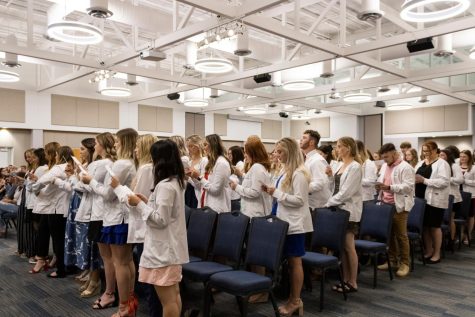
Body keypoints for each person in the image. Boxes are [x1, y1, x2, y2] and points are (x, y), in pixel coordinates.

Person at [128, 140, 189, 317]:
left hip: (163, 251)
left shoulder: (166, 186)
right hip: (167, 248)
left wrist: (139, 204)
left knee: (168, 300)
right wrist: (147, 202)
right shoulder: (174, 181)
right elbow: (166, 213)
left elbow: (161, 220)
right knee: (174, 296)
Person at [83, 128, 138, 317]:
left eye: (117, 141)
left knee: (121, 263)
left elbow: (107, 194)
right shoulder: (129, 162)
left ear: (124, 142)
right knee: (126, 262)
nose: (115, 144)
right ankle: (128, 302)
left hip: (117, 217)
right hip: (122, 217)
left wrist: (90, 181)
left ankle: (124, 307)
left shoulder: (122, 163)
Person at [262, 137, 312, 317]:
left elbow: (299, 200)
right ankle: (292, 298)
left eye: (280, 151)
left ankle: (296, 300)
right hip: (283, 220)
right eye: (276, 151)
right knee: (289, 263)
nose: (277, 155)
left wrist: (276, 193)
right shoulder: (286, 170)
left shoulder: (299, 173)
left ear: (290, 152)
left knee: (294, 262)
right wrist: (272, 192)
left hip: (294, 224)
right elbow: (283, 194)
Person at [325, 137, 362, 293]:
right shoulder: (340, 165)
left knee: (349, 247)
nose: (337, 149)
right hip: (338, 209)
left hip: (348, 210)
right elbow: (334, 187)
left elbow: (346, 193)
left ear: (348, 148)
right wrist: (329, 176)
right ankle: (345, 279)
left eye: (339, 146)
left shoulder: (355, 167)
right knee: (343, 249)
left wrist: (327, 203)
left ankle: (352, 281)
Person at [32, 145, 74, 278]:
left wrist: (35, 188)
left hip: (55, 208)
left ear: (58, 155)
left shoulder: (58, 167)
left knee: (58, 240)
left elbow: (42, 181)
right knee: (62, 239)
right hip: (64, 208)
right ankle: (64, 266)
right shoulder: (70, 167)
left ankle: (61, 269)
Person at [375, 143, 415, 277]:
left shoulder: (406, 167)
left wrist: (389, 187)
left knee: (401, 235)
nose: (384, 160)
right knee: (390, 234)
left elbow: (409, 187)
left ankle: (405, 263)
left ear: (394, 153)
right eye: (383, 157)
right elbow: (383, 182)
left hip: (399, 206)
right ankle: (392, 261)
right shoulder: (385, 166)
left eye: (386, 156)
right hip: (385, 204)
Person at [415, 141, 450, 264]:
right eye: (424, 151)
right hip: (420, 200)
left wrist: (424, 180)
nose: (426, 153)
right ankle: (428, 251)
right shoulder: (421, 162)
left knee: (434, 227)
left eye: (428, 151)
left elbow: (444, 182)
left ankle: (436, 254)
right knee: (425, 227)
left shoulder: (442, 164)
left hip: (434, 200)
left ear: (435, 150)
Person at [230, 135, 271, 218]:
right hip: (251, 213)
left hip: (255, 215)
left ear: (253, 153)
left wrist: (236, 187)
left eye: (245, 152)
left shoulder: (257, 167)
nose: (244, 155)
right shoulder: (256, 167)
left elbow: (255, 192)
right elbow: (252, 182)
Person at [190, 134, 231, 213]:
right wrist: (193, 177)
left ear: (213, 145)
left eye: (205, 145)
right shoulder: (208, 162)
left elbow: (216, 190)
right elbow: (200, 186)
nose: (204, 148)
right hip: (205, 205)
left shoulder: (222, 163)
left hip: (216, 208)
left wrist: (199, 177)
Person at [300, 130, 331, 209]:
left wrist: (300, 188)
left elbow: (319, 183)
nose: (300, 140)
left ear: (311, 142)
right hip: (310, 204)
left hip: (317, 206)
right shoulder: (308, 158)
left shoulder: (317, 160)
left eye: (304, 138)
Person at [460, 150, 475, 244]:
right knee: (461, 215)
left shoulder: (473, 168)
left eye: (464, 156)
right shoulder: (457, 167)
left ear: (469, 157)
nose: (462, 158)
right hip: (459, 195)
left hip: (471, 195)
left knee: (470, 216)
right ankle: (461, 234)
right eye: (461, 156)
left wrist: (465, 181)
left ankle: (468, 235)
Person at [228, 145, 245, 211]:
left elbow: (240, 180)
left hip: (236, 198)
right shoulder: (232, 164)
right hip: (232, 197)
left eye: (230, 154)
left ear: (236, 154)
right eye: (228, 153)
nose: (229, 155)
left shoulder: (240, 164)